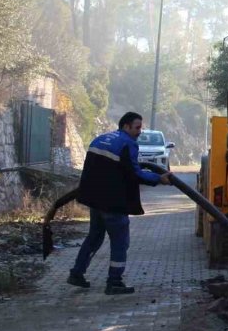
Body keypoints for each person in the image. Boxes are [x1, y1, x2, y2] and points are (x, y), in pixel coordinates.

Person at [68, 111, 171, 295]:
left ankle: (76, 273)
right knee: (120, 241)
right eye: (137, 128)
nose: (140, 131)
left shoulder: (100, 139)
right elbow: (135, 173)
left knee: (94, 237)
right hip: (113, 202)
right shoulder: (128, 144)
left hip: (94, 200)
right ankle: (114, 282)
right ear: (126, 126)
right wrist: (158, 178)